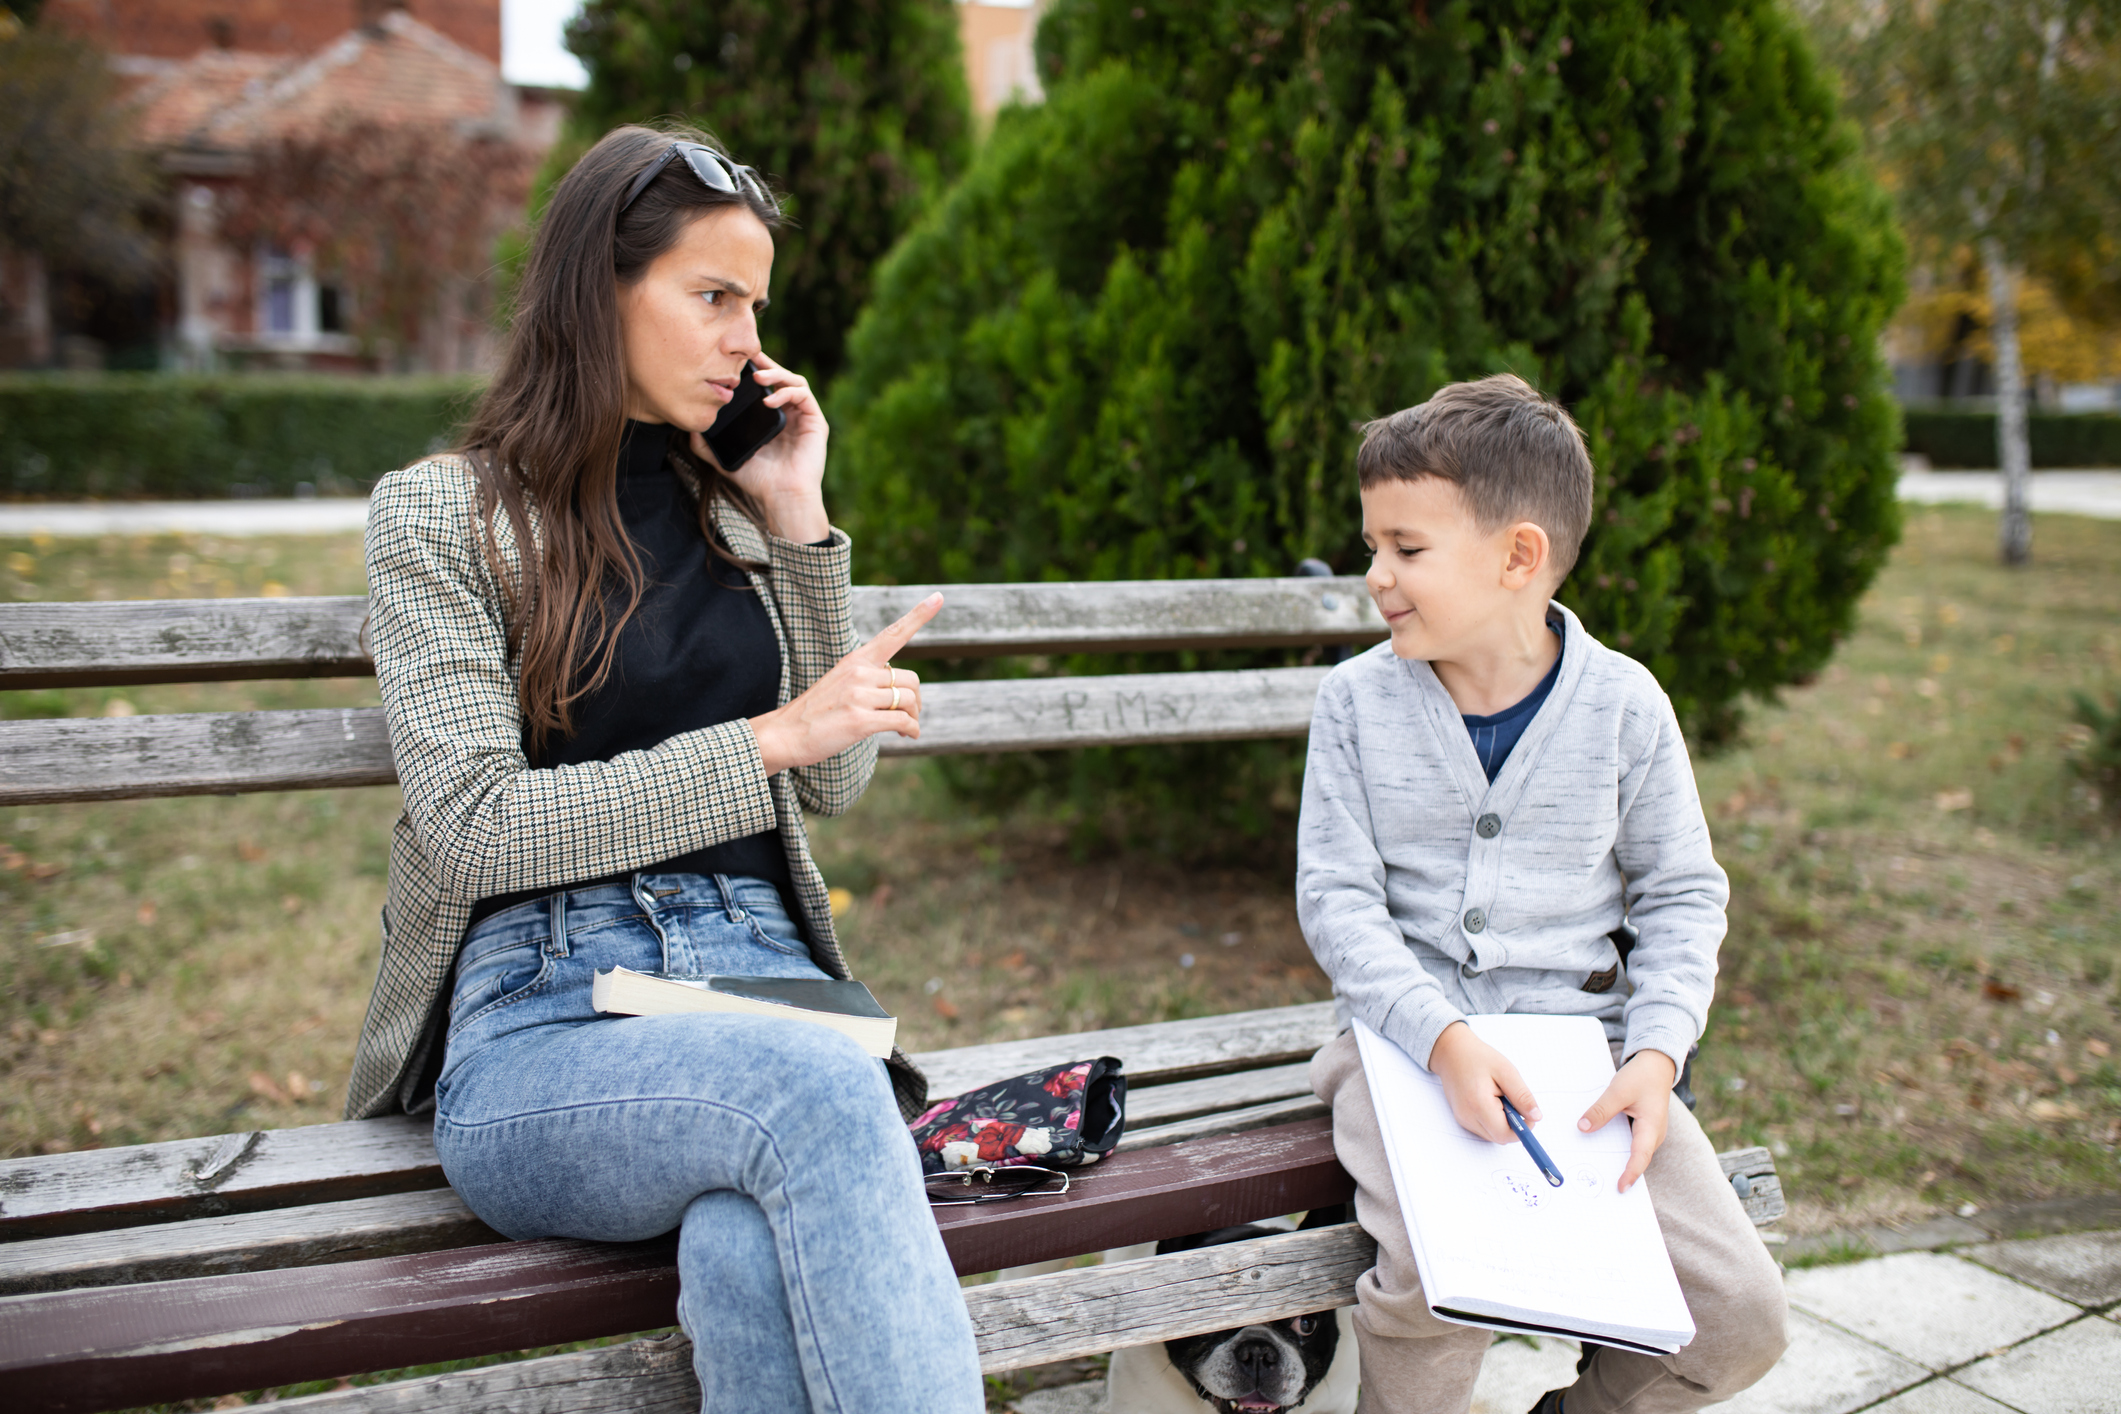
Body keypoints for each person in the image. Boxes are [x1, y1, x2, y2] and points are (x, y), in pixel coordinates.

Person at [343, 124, 984, 1412]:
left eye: (756, 303)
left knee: (750, 1240)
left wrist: (801, 514)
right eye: (714, 297)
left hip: (763, 987)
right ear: (601, 292)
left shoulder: (733, 504)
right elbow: (473, 826)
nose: (751, 340)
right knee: (823, 1105)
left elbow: (830, 788)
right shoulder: (445, 514)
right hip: (546, 1017)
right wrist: (765, 738)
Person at [1296, 374, 1788, 1414]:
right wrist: (1443, 1039)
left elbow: (1684, 896)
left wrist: (1656, 1054)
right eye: (1372, 544)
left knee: (1743, 1313)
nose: (1375, 574)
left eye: (1407, 549)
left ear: (1519, 556)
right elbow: (1339, 904)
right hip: (1401, 1047)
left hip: (1589, 1062)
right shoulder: (1354, 704)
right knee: (1437, 1276)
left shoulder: (1625, 708)